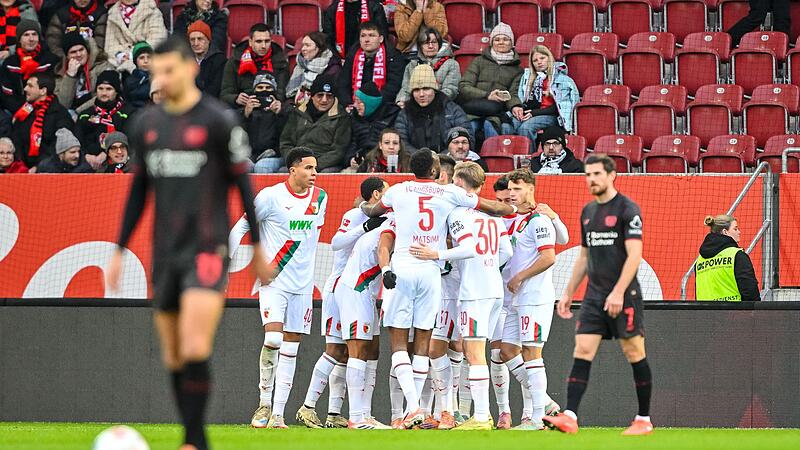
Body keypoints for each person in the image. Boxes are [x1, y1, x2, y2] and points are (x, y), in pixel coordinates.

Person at [105, 36, 270, 450]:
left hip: (207, 248)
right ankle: (193, 436)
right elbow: (139, 191)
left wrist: (260, 247)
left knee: (196, 344)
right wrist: (119, 249)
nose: (160, 79)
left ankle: (194, 441)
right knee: (175, 355)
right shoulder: (147, 125)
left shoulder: (218, 120)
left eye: (168, 70)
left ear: (190, 68)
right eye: (155, 72)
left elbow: (243, 185)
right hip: (165, 254)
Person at [360, 149, 519, 428]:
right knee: (424, 345)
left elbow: (373, 210)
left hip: (404, 267)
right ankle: (427, 410)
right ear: (436, 171)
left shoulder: (397, 190)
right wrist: (514, 208)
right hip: (431, 273)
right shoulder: (449, 194)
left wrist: (364, 210)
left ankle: (414, 407)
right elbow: (494, 208)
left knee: (399, 344)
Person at [545, 154, 654, 436]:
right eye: (588, 174)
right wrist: (568, 292)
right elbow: (584, 255)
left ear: (611, 175)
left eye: (596, 174)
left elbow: (635, 256)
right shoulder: (588, 212)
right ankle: (570, 416)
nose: (591, 179)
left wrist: (618, 292)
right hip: (594, 297)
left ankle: (643, 419)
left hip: (624, 295)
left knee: (634, 352)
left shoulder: (628, 209)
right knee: (582, 350)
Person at [228, 147, 328, 430]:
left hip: (303, 287)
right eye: (309, 168)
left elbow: (310, 238)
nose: (314, 174)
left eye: (316, 168)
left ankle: (278, 415)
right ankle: (264, 401)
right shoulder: (271, 197)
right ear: (293, 169)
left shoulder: (321, 198)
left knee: (292, 349)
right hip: (275, 282)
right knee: (274, 340)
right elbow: (240, 227)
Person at [409, 161, 512, 430]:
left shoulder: (459, 214)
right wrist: (489, 266)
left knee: (474, 352)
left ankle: (480, 417)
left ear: (459, 184)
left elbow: (469, 249)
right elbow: (506, 253)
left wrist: (437, 255)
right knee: (473, 350)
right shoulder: (493, 216)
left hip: (473, 291)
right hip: (494, 289)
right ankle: (464, 413)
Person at [295, 177, 389, 429]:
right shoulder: (355, 214)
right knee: (338, 350)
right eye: (386, 192)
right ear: (377, 195)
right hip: (341, 287)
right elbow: (336, 243)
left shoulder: (387, 220)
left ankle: (336, 412)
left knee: (360, 351)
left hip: (364, 289)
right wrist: (365, 227)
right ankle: (308, 406)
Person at [333, 204, 393, 429]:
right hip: (355, 290)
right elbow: (383, 253)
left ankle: (366, 415)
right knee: (357, 351)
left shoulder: (391, 223)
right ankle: (356, 417)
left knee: (372, 350)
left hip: (367, 294)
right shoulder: (391, 228)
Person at [457, 22, 523, 143]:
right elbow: (464, 86)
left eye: (505, 39)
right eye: (497, 39)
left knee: (491, 127)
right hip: (474, 109)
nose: (501, 42)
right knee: (469, 130)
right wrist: (487, 95)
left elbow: (513, 93)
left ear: (512, 43)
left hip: (495, 113)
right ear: (492, 42)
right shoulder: (479, 61)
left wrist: (515, 105)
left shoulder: (517, 69)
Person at [280, 74, 351, 173]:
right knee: (280, 171)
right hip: (297, 161)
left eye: (329, 96)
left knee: (325, 174)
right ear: (312, 96)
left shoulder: (342, 117)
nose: (324, 100)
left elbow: (338, 151)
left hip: (324, 164)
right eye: (320, 95)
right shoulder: (298, 113)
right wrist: (295, 162)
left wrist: (313, 165)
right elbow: (286, 143)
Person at [515, 46, 579, 151]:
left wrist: (534, 113)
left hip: (552, 116)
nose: (539, 62)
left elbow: (560, 108)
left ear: (549, 58)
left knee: (526, 128)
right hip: (532, 112)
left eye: (542, 58)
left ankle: (528, 159)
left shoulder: (563, 80)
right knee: (507, 126)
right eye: (535, 60)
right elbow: (523, 99)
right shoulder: (528, 78)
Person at [395, 64, 469, 153]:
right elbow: (401, 142)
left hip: (448, 162)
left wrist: (441, 158)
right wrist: (421, 158)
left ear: (434, 90)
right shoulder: (405, 113)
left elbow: (467, 138)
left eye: (426, 89)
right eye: (416, 90)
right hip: (414, 162)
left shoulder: (452, 110)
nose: (421, 94)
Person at [10, 72, 73, 170]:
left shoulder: (60, 114)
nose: (25, 89)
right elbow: (16, 139)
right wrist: (21, 164)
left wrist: (38, 167)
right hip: (23, 167)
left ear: (43, 91)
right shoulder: (24, 112)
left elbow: (58, 146)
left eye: (30, 86)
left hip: (49, 168)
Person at [338, 21, 405, 108]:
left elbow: (393, 86)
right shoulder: (352, 56)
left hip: (382, 107)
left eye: (371, 35)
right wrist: (347, 103)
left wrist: (370, 103)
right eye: (363, 36)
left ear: (381, 39)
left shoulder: (393, 56)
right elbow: (343, 83)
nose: (366, 40)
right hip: (353, 106)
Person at [221, 23, 289, 108]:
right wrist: (235, 99)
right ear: (250, 42)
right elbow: (225, 94)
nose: (263, 46)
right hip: (242, 110)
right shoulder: (235, 62)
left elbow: (282, 93)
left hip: (272, 109)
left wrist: (276, 102)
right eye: (259, 41)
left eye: (267, 41)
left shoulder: (281, 61)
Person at [695, 214, 760, 301]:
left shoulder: (699, 261)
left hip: (706, 312)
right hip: (733, 311)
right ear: (725, 232)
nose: (739, 232)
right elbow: (749, 290)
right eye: (735, 229)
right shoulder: (737, 256)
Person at [75, 70, 131, 169]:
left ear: (117, 91)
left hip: (121, 161)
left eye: (109, 89)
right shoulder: (85, 115)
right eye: (100, 88)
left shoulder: (127, 113)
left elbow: (131, 141)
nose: (104, 93)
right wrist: (85, 156)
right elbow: (76, 141)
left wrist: (108, 153)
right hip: (88, 162)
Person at [0, 19, 59, 113]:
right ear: (19, 39)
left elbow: (55, 90)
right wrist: (26, 110)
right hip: (17, 110)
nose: (31, 39)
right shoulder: (10, 64)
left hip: (46, 108)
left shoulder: (50, 60)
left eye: (34, 34)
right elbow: (7, 96)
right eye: (26, 35)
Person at [344, 80, 400, 169]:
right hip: (360, 165)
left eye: (359, 102)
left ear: (370, 103)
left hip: (385, 163)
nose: (355, 105)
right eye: (355, 101)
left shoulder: (391, 115)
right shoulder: (355, 118)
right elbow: (352, 143)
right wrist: (350, 159)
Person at [396, 27, 459, 106]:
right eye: (426, 43)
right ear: (420, 46)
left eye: (434, 42)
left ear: (439, 44)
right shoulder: (412, 64)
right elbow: (406, 88)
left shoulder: (451, 64)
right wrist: (401, 101)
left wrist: (430, 102)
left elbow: (450, 90)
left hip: (440, 106)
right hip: (415, 104)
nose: (430, 46)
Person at [54, 31, 113, 111]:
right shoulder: (61, 72)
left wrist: (78, 112)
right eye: (73, 52)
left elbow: (106, 97)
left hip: (96, 113)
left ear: (87, 50)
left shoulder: (103, 67)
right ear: (67, 56)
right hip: (69, 115)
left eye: (81, 50)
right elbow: (63, 104)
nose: (78, 54)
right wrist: (70, 76)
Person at [104, 0, 167, 73]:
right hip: (120, 64)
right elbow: (110, 46)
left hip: (148, 61)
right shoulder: (112, 15)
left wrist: (132, 54)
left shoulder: (152, 10)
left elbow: (158, 38)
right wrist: (121, 56)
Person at [246, 72, 287, 174]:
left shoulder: (285, 110)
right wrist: (246, 116)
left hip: (275, 155)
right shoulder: (246, 110)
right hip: (251, 155)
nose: (264, 90)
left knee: (262, 166)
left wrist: (279, 115)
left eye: (268, 87)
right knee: (242, 166)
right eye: (260, 87)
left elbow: (287, 137)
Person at [286, 31, 341, 105]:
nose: (303, 49)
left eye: (307, 45)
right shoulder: (300, 65)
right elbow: (290, 98)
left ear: (320, 48)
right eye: (303, 45)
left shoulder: (333, 69)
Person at [323, 0, 388, 59]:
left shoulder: (374, 7)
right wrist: (338, 59)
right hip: (341, 59)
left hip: (370, 57)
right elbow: (327, 38)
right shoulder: (333, 9)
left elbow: (382, 34)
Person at [188, 20, 226, 99]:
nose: (196, 43)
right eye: (192, 39)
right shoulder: (185, 59)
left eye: (200, 39)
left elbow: (214, 90)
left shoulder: (219, 60)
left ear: (208, 40)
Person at [122, 41, 152, 109]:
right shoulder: (129, 81)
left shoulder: (159, 78)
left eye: (149, 57)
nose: (146, 61)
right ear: (136, 61)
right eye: (141, 58)